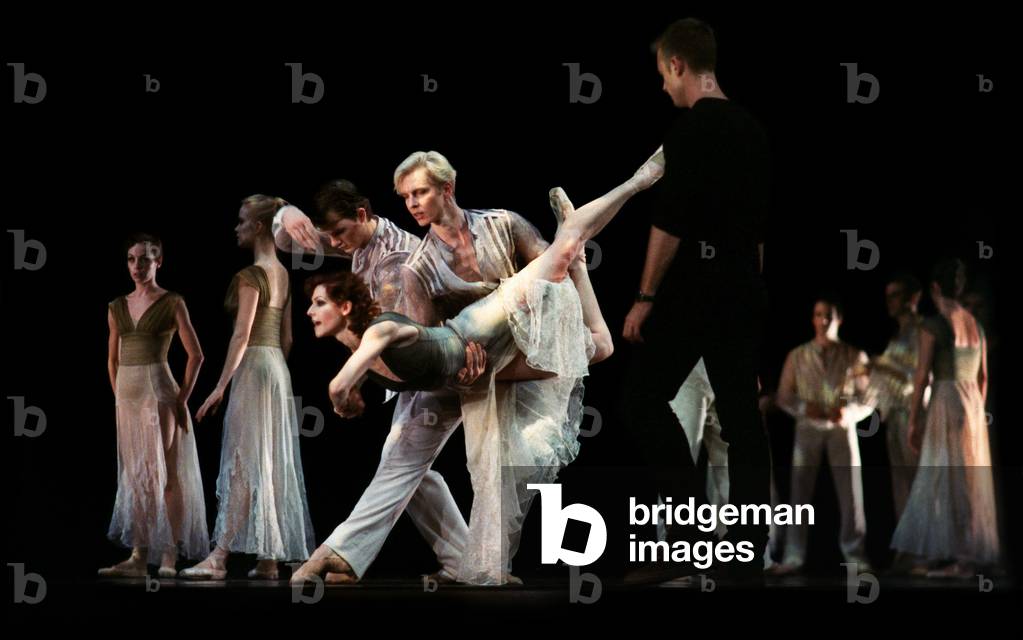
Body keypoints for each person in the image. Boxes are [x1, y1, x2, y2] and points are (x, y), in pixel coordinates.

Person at [301, 151, 662, 584]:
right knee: (445, 461)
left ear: (446, 188)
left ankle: (637, 182)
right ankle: (472, 563)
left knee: (593, 327)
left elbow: (548, 269)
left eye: (420, 193)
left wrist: (344, 385)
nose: (412, 204)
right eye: (406, 197)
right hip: (470, 362)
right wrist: (455, 367)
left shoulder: (498, 225)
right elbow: (423, 335)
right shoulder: (415, 267)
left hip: (511, 325)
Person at [620, 17, 772, 583]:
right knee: (742, 417)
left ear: (678, 64)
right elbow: (759, 232)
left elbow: (671, 222)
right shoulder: (754, 130)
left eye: (663, 74)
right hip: (743, 286)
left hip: (696, 290)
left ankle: (685, 540)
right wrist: (751, 297)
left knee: (641, 401)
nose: (663, 86)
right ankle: (748, 552)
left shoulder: (689, 130)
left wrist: (644, 296)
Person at [274, 179, 480, 584]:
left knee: (401, 463)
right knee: (407, 468)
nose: (335, 243)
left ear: (362, 214)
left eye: (340, 233)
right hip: (415, 372)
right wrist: (286, 213)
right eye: (332, 235)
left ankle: (339, 552)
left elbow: (410, 343)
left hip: (440, 370)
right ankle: (464, 562)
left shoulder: (398, 259)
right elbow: (288, 241)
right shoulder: (357, 239)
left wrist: (352, 378)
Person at [180, 195, 315, 580]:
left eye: (242, 221)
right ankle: (269, 558)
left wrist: (220, 387)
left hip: (255, 365)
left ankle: (219, 558)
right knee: (269, 458)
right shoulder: (284, 274)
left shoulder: (250, 275)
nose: (236, 227)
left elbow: (241, 335)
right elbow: (288, 338)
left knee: (242, 459)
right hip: (276, 369)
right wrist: (275, 374)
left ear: (258, 227)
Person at [98, 234, 209, 578]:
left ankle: (170, 555)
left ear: (158, 262)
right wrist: (119, 397)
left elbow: (196, 355)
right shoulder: (116, 306)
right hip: (128, 399)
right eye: (131, 259)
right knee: (137, 476)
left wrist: (181, 398)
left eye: (145, 259)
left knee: (167, 475)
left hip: (158, 393)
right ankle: (138, 556)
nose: (137, 266)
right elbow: (112, 359)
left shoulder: (172, 302)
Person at [890, 259, 999, 577]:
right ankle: (957, 552)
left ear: (935, 288)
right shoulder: (975, 324)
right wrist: (975, 411)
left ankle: (961, 557)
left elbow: (922, 376)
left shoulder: (934, 325)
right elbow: (983, 377)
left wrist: (913, 420)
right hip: (972, 402)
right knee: (967, 478)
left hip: (947, 399)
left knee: (947, 477)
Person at [771, 297, 874, 575]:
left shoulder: (854, 355)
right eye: (818, 315)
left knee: (851, 492)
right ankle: (793, 555)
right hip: (808, 428)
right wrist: (805, 408)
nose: (823, 320)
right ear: (812, 319)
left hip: (841, 429)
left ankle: (855, 554)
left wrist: (848, 412)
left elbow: (868, 397)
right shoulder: (797, 355)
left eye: (828, 315)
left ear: (839, 319)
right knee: (799, 492)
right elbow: (783, 394)